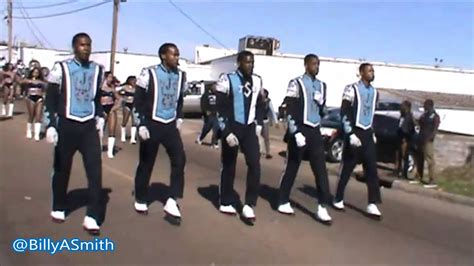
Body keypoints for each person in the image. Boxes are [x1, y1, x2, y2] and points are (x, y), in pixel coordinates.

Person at [44, 32, 105, 235]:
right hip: (67, 125)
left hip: (88, 127)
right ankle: (59, 206)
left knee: (95, 172)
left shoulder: (98, 70)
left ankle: (92, 216)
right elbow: (50, 99)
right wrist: (50, 124)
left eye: (88, 44)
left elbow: (97, 98)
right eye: (82, 45)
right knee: (62, 169)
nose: (86, 48)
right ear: (74, 47)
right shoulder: (61, 68)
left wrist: (100, 116)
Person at [132, 43, 187, 224]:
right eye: (174, 55)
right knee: (147, 163)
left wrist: (179, 117)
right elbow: (138, 101)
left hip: (170, 125)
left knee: (179, 159)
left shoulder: (181, 76)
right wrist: (140, 124)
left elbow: (179, 100)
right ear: (164, 56)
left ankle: (172, 199)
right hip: (151, 124)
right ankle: (140, 197)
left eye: (178, 55)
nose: (177, 58)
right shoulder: (149, 73)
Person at [277, 54, 332, 224]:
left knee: (321, 169)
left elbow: (322, 111)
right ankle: (282, 200)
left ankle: (322, 206)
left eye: (318, 64)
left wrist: (322, 105)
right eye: (314, 64)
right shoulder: (296, 83)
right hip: (300, 130)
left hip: (315, 131)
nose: (317, 67)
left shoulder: (322, 86)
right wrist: (295, 132)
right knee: (292, 167)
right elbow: (289, 109)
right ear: (306, 65)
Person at [215, 50, 264, 222]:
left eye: (252, 62)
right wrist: (226, 131)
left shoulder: (257, 80)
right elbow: (219, 107)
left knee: (255, 164)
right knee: (229, 165)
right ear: (238, 63)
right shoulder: (227, 79)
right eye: (247, 62)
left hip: (249, 128)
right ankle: (226, 200)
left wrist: (258, 123)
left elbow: (260, 104)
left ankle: (249, 204)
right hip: (232, 126)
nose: (250, 65)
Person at [333, 63, 382, 219]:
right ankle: (338, 197)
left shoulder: (375, 92)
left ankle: (372, 203)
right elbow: (345, 112)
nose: (372, 73)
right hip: (354, 132)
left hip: (367, 133)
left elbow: (371, 113)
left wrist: (372, 131)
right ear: (361, 73)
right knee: (348, 167)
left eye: (373, 71)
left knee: (372, 170)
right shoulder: (351, 89)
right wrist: (350, 133)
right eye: (369, 70)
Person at [414, 99, 440, 188]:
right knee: (419, 158)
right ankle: (418, 176)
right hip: (420, 139)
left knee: (430, 160)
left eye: (425, 105)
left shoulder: (434, 116)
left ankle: (432, 180)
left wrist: (430, 138)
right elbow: (419, 123)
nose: (424, 106)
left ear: (430, 105)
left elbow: (435, 129)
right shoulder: (424, 115)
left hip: (428, 140)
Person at [20, 67, 46, 141]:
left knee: (38, 116)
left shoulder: (41, 81)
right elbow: (21, 82)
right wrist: (30, 81)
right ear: (32, 73)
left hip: (39, 98)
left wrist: (41, 83)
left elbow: (46, 85)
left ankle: (37, 134)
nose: (36, 73)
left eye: (37, 72)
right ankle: (29, 131)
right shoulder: (28, 80)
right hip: (30, 98)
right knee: (31, 115)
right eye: (34, 72)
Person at [100, 71, 121, 158]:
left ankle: (110, 151)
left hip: (111, 108)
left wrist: (115, 107)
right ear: (105, 77)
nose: (111, 79)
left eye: (112, 77)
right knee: (100, 130)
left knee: (112, 130)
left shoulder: (112, 88)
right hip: (101, 108)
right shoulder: (100, 87)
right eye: (109, 77)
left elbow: (119, 99)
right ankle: (98, 148)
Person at [396, 100, 416, 179]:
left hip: (405, 139)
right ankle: (399, 171)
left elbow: (408, 129)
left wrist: (405, 138)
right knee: (399, 156)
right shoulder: (402, 116)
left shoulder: (409, 117)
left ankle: (405, 173)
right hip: (400, 138)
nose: (401, 108)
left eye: (402, 107)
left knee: (405, 156)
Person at [196, 82, 219, 148]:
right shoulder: (206, 95)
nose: (215, 88)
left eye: (216, 86)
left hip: (216, 114)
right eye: (214, 86)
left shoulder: (218, 95)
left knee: (216, 128)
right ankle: (200, 138)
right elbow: (203, 104)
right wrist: (205, 111)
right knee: (207, 128)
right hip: (209, 115)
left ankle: (214, 143)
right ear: (211, 87)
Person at [258, 88, 278, 159]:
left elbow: (272, 111)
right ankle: (258, 151)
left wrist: (276, 122)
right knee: (257, 137)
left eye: (263, 92)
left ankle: (268, 152)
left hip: (265, 121)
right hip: (257, 121)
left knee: (266, 137)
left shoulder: (268, 102)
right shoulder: (257, 100)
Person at [117, 76, 138, 144]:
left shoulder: (137, 88)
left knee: (134, 121)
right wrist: (121, 97)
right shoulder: (125, 87)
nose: (134, 81)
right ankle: (123, 136)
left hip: (134, 104)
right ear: (129, 80)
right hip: (127, 104)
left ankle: (132, 138)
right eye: (132, 80)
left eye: (135, 80)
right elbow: (116, 91)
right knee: (125, 120)